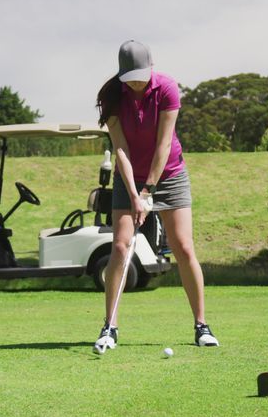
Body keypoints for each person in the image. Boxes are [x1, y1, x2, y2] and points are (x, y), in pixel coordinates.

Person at [92, 40, 219, 353]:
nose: (135, 82)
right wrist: (135, 193)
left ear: (151, 67)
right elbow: (120, 147)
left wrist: (148, 191)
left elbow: (163, 144)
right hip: (129, 177)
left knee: (183, 247)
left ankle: (202, 325)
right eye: (130, 77)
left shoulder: (167, 89)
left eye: (140, 75)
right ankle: (110, 326)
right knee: (121, 246)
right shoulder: (111, 97)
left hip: (170, 173)